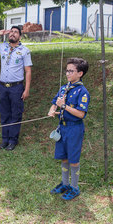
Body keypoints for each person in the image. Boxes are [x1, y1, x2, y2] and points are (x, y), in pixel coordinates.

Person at [48, 58, 90, 200]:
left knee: (73, 159)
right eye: (67, 70)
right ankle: (65, 184)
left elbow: (81, 114)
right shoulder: (64, 88)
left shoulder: (82, 92)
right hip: (63, 128)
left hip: (74, 129)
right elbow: (55, 102)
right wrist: (52, 110)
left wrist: (64, 106)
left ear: (80, 73)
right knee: (64, 157)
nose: (67, 73)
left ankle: (74, 187)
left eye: (71, 71)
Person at [0, 26, 32, 151]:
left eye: (16, 32)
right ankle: (5, 139)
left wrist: (26, 89)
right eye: (11, 31)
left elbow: (28, 71)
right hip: (2, 87)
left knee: (15, 114)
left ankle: (13, 140)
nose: (13, 34)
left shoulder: (25, 50)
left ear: (20, 36)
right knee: (4, 114)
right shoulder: (3, 46)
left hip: (16, 88)